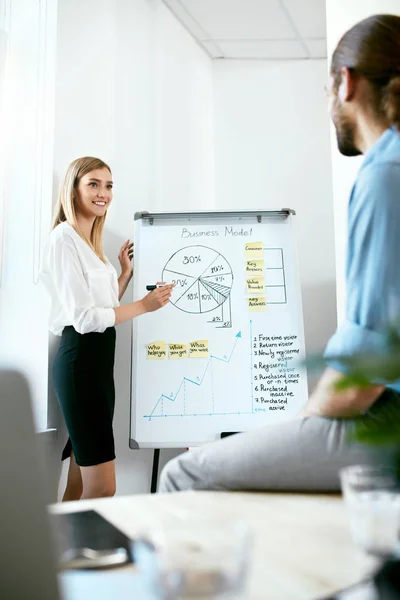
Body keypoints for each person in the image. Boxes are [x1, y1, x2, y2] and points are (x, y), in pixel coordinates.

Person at [159, 14, 400, 493]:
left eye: (327, 91)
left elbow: (372, 362)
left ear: (346, 84)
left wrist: (306, 423)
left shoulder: (385, 174)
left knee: (184, 472)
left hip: (387, 421)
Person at [41, 156, 173, 500]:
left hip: (96, 365)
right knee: (102, 487)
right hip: (81, 362)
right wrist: (144, 306)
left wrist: (124, 274)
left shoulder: (87, 243)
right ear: (73, 189)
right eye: (94, 184)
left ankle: (64, 554)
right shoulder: (64, 239)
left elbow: (101, 308)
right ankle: (79, 554)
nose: (104, 193)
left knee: (80, 483)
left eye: (109, 185)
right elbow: (85, 319)